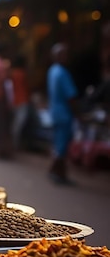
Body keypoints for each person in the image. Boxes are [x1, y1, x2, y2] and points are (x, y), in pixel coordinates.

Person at [47, 43, 79, 185]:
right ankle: (57, 172)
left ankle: (58, 173)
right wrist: (78, 112)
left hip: (55, 112)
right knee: (61, 146)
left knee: (59, 144)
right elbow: (70, 96)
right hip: (63, 113)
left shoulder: (53, 71)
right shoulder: (62, 72)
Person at [10, 55, 31, 150]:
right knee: (19, 124)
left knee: (17, 124)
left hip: (16, 101)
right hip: (22, 101)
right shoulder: (21, 74)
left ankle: (16, 143)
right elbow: (27, 88)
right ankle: (15, 144)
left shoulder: (13, 74)